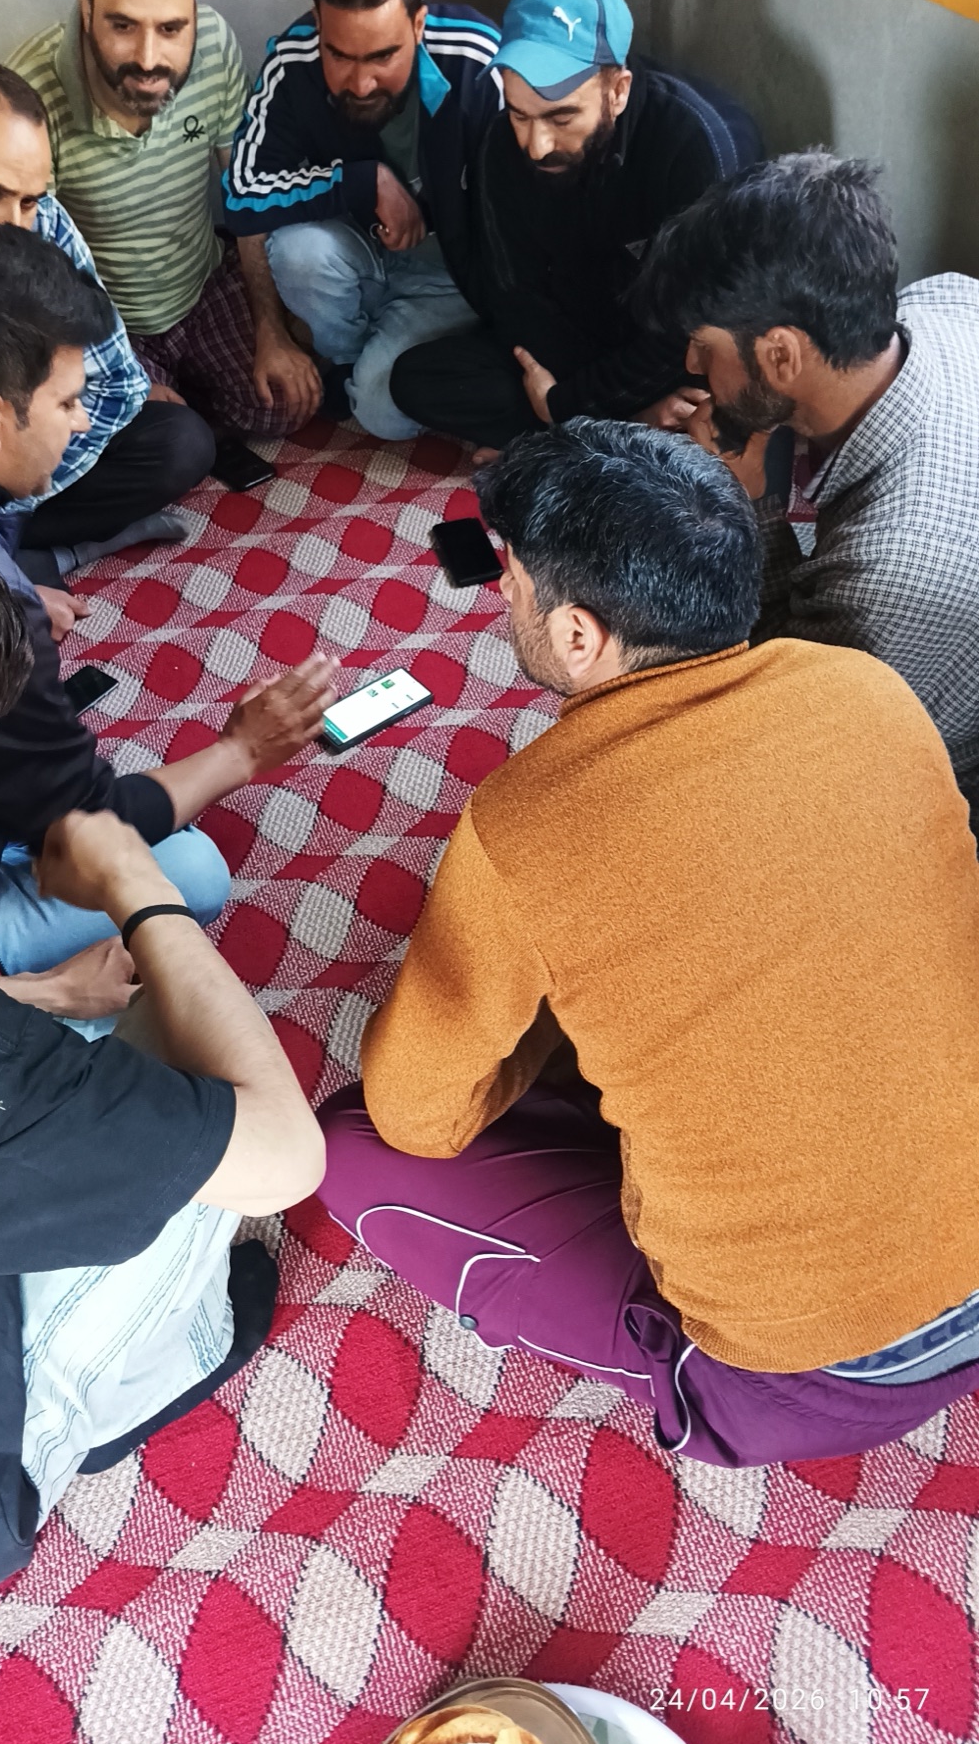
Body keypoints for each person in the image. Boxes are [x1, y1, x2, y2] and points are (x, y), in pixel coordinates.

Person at [318, 420, 979, 1467]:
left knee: (351, 1147)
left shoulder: (522, 818)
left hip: (800, 1372)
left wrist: (551, 1011)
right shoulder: (865, 689)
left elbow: (419, 1116)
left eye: (512, 580)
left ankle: (679, 1379)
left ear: (578, 634)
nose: (501, 593)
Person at [0, 527, 325, 1604]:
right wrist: (131, 881)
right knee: (184, 1090)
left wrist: (34, 995)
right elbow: (280, 1151)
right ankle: (152, 1372)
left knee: (81, 1044)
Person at [0, 220, 335, 993]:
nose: (83, 421)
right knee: (189, 872)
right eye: (69, 401)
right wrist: (242, 752)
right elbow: (81, 818)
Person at [635, 150, 979, 829]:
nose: (692, 364)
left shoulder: (880, 576)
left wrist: (746, 511)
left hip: (923, 784)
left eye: (704, 344)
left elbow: (788, 697)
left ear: (780, 356)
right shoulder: (948, 297)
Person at [0, 61, 214, 609]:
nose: (14, 224)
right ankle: (2, 568)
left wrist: (18, 477)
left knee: (180, 442)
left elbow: (117, 383)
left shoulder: (39, 222)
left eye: (28, 199)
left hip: (20, 465)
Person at [390, 0, 761, 454]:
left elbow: (694, 328)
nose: (538, 145)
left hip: (671, 356)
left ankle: (572, 438)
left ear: (618, 91)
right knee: (417, 379)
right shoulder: (503, 146)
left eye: (561, 117)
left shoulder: (696, 145)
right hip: (572, 349)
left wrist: (569, 403)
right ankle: (614, 434)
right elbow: (515, 296)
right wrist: (582, 403)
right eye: (520, 114)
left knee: (721, 405)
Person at [8, 0, 298, 486]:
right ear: (87, 10)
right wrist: (118, 369)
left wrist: (272, 330)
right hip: (104, 320)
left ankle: (191, 393)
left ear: (193, 18)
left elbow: (245, 194)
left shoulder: (214, 43)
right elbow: (36, 273)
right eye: (122, 25)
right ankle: (178, 404)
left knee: (286, 400)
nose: (147, 58)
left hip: (200, 283)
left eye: (170, 28)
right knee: (152, 441)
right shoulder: (28, 96)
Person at [224, 0, 500, 442]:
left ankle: (386, 363)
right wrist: (362, 182)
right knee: (298, 252)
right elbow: (240, 194)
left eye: (383, 56)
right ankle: (351, 360)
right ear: (317, 25)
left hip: (452, 278)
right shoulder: (292, 59)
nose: (362, 83)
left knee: (381, 414)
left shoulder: (475, 60)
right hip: (361, 256)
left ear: (417, 25)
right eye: (339, 55)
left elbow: (526, 215)